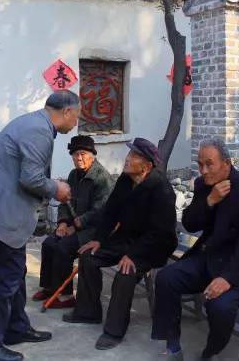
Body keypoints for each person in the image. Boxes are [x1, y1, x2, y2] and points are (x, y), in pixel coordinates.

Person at [0, 90, 80, 361]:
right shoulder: (39, 131)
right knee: (4, 282)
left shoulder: (32, 123)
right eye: (76, 116)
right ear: (65, 112)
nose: (76, 123)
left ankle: (15, 328)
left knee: (13, 274)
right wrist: (57, 189)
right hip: (2, 215)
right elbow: (31, 178)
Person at [151, 138, 239, 361]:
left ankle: (210, 352)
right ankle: (173, 346)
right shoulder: (203, 185)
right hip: (208, 258)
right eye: (200, 164)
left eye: (209, 164)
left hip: (238, 268)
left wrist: (227, 279)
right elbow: (191, 223)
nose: (203, 170)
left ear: (227, 163)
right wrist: (209, 201)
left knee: (219, 306)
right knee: (166, 278)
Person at [62, 138, 177, 351]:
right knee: (89, 255)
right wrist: (98, 239)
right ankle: (88, 312)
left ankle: (114, 331)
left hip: (153, 246)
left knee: (125, 272)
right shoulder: (125, 180)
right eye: (129, 154)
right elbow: (110, 213)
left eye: (134, 156)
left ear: (147, 165)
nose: (127, 159)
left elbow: (160, 232)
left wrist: (133, 255)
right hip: (125, 239)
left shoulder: (161, 189)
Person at [33, 135, 113, 308]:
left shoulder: (101, 178)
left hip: (94, 231)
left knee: (64, 247)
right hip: (75, 226)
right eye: (75, 154)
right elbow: (65, 200)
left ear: (92, 155)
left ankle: (66, 296)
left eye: (83, 154)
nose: (79, 158)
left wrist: (75, 226)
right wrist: (62, 223)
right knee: (49, 243)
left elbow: (100, 212)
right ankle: (50, 288)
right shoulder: (73, 175)